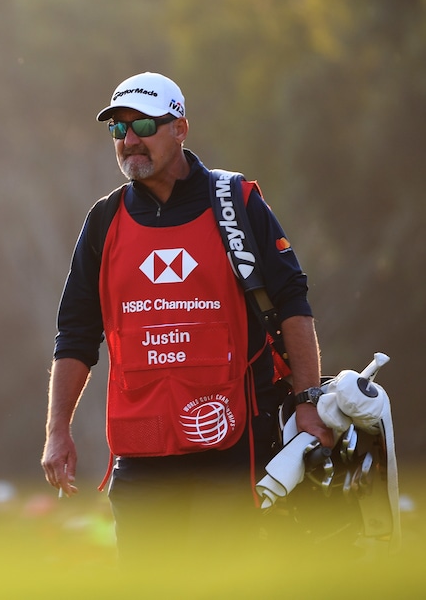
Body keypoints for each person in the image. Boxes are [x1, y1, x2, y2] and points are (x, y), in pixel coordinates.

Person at [40, 71, 332, 567]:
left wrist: (307, 402)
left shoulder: (235, 202)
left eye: (144, 125)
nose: (129, 140)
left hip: (232, 440)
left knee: (227, 581)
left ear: (180, 129)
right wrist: (56, 429)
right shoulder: (104, 220)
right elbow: (76, 333)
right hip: (141, 446)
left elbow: (292, 304)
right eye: (118, 129)